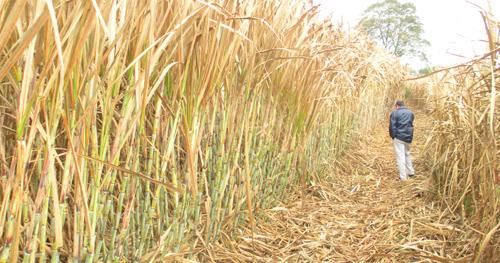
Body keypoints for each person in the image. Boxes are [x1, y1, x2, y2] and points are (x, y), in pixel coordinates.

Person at [389, 100, 415, 180]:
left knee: (400, 156)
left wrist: (393, 136)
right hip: (408, 137)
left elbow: (392, 126)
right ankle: (411, 172)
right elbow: (411, 124)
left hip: (399, 137)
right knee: (407, 153)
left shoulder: (394, 113)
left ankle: (403, 177)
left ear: (397, 105)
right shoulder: (411, 113)